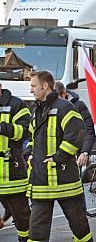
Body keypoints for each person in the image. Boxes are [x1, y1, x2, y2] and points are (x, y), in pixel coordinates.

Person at [26, 70, 92, 241]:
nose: (31, 90)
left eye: (33, 86)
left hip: (65, 180)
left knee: (79, 226)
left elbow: (77, 133)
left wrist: (58, 157)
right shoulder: (36, 110)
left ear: (45, 86)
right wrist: (30, 153)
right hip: (41, 182)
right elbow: (33, 137)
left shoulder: (64, 107)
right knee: (36, 232)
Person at [0, 83, 31, 241]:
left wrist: (2, 127)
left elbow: (26, 131)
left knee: (21, 215)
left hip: (11, 170)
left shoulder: (17, 104)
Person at [55, 82, 95, 168]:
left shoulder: (79, 106)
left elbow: (88, 130)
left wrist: (84, 152)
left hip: (74, 157)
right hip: (55, 156)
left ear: (64, 94)